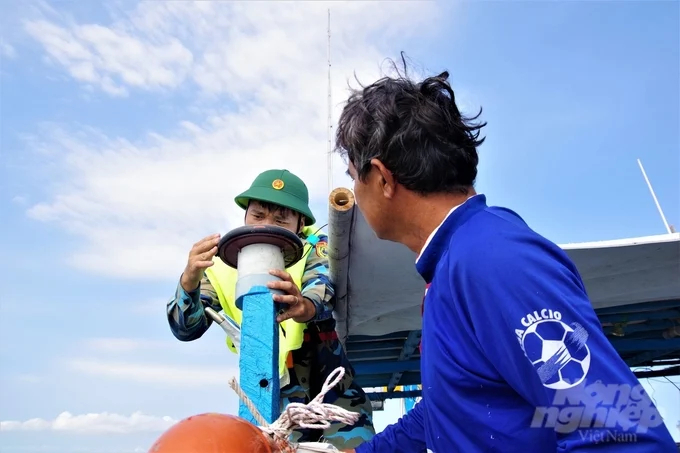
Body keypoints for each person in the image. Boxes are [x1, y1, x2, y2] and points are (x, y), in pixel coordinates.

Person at [333, 57, 677, 452]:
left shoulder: (490, 257)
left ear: (381, 177)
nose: (356, 195)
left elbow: (623, 434)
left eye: (352, 177)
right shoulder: (453, 267)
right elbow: (450, 410)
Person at [166, 169, 375, 449]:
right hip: (271, 400)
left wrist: (304, 305)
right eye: (258, 215)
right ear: (245, 216)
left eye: (281, 220)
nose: (267, 225)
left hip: (332, 396)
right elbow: (186, 328)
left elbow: (322, 289)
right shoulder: (222, 266)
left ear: (300, 224)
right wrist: (189, 281)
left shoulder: (316, 248)